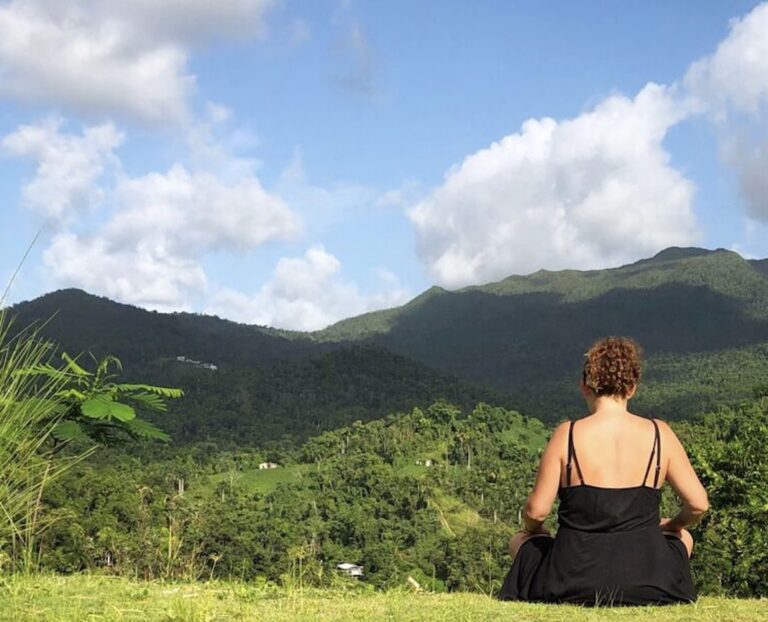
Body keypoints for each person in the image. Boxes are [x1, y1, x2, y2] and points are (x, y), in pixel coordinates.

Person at [498, 336, 709, 605]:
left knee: (519, 541)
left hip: (569, 580)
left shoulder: (568, 434)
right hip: (649, 581)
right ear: (632, 388)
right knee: (684, 537)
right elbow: (698, 504)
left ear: (585, 386)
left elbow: (537, 511)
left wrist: (534, 530)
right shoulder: (660, 434)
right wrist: (673, 525)